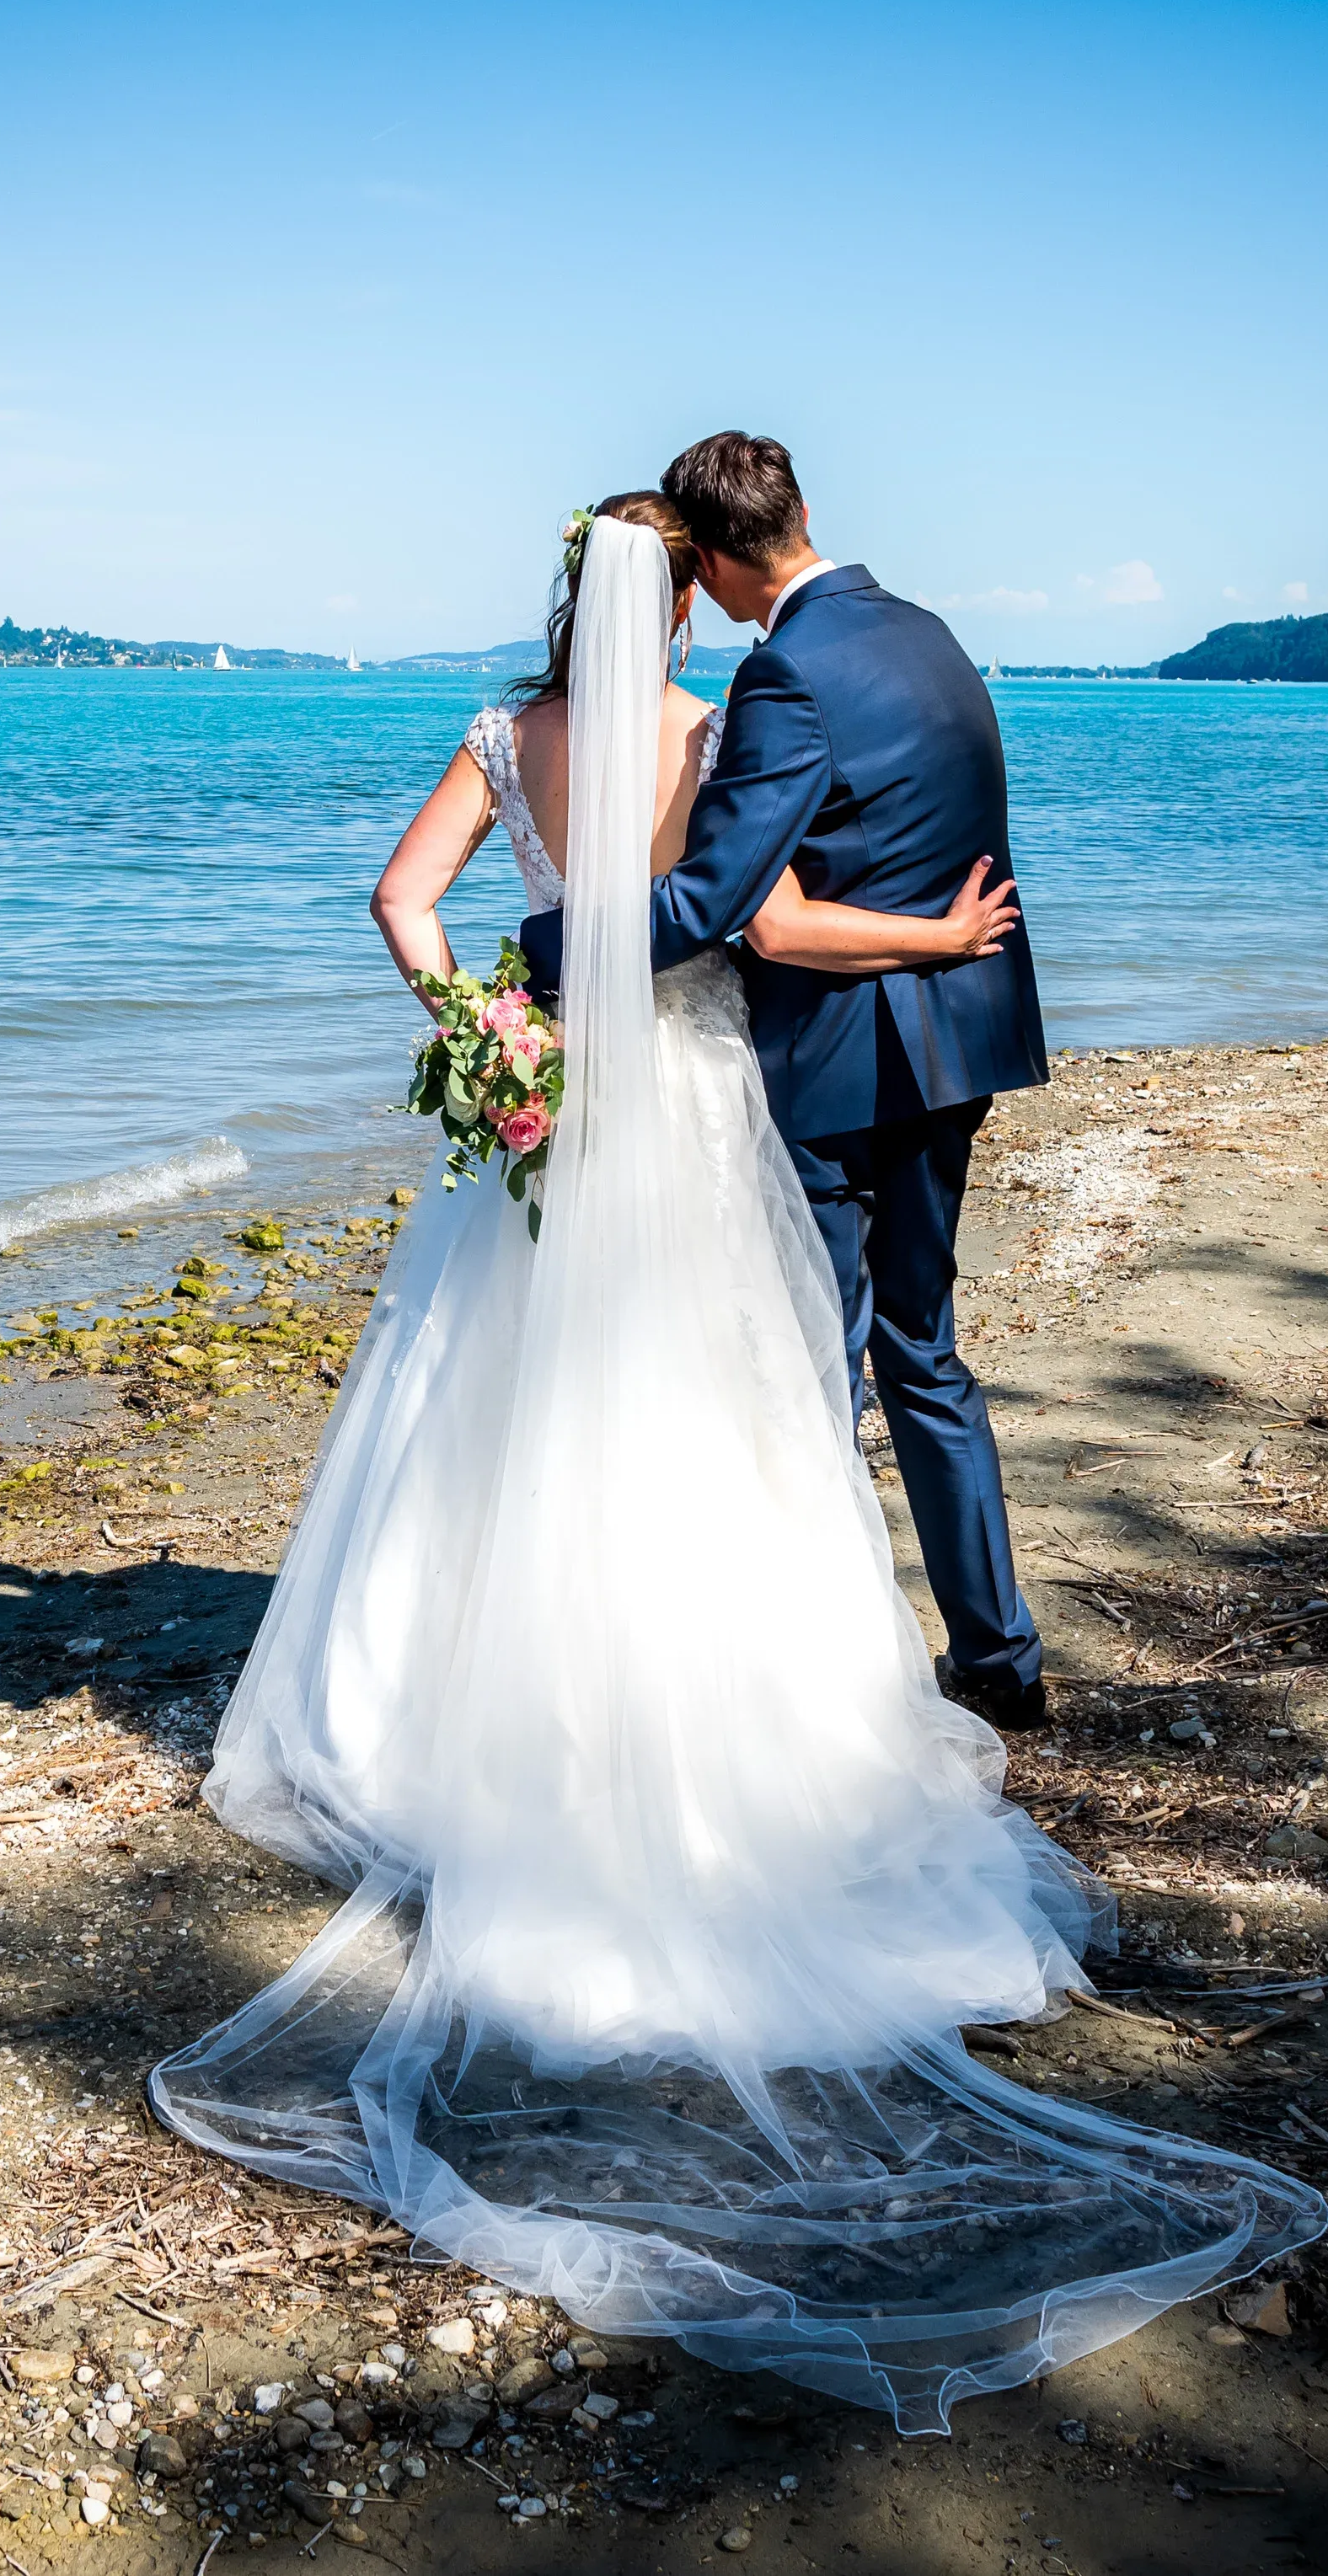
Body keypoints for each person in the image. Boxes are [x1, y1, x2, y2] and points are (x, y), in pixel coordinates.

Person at [146, 492, 1323, 2435]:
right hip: (687, 1100)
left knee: (487, 1397)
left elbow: (397, 907)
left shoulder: (493, 735)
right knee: (716, 1405)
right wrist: (937, 927)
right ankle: (719, 1688)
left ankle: (438, 1705)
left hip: (543, 1101)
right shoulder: (707, 731)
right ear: (673, 596)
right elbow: (753, 924)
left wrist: (492, 1036)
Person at [520, 433, 1054, 1729]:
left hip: (839, 1068)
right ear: (804, 511)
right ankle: (999, 1656)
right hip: (964, 1037)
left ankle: (827, 1671)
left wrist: (548, 951)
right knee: (924, 1350)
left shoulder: (786, 680)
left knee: (811, 1359)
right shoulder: (928, 633)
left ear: (703, 559)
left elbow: (718, 903)